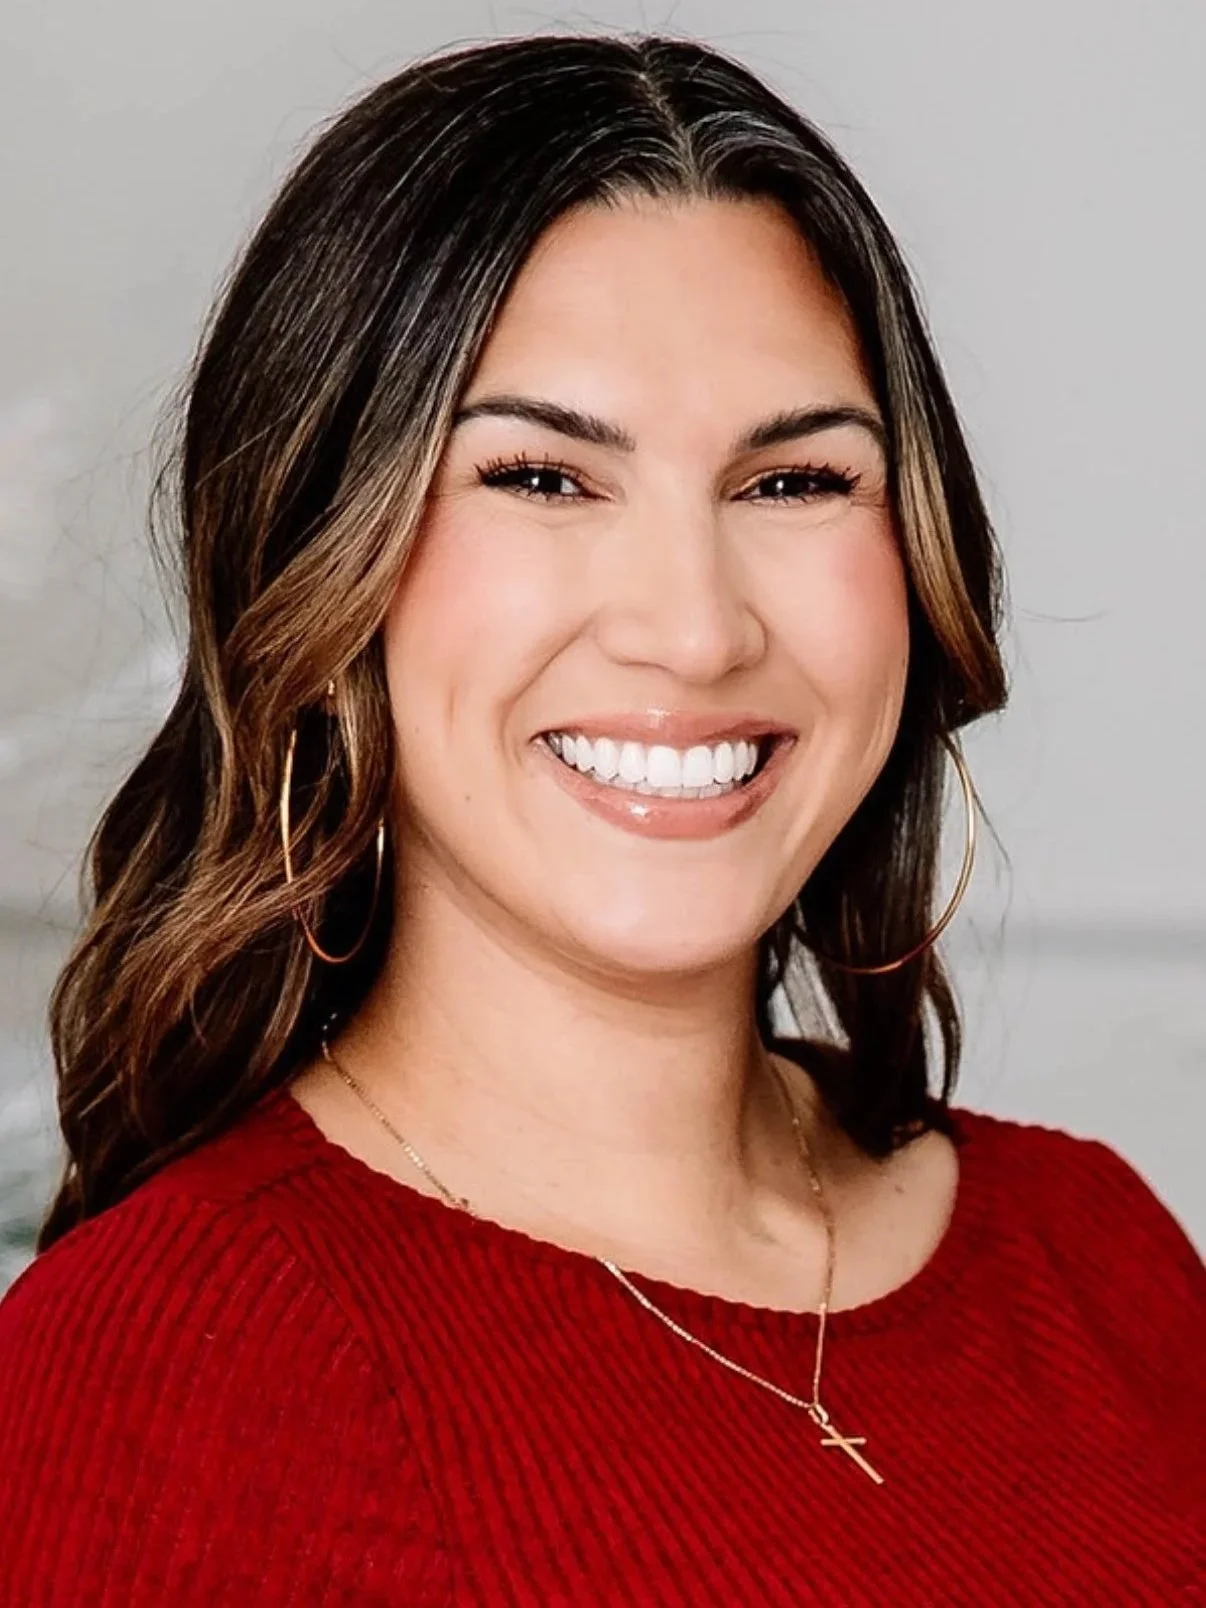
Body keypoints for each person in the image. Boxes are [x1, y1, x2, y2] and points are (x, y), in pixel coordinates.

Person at [0, 31, 1201, 1606]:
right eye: (545, 479)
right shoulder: (161, 1378)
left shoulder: (1094, 1261)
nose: (693, 630)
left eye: (791, 484)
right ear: (319, 565)